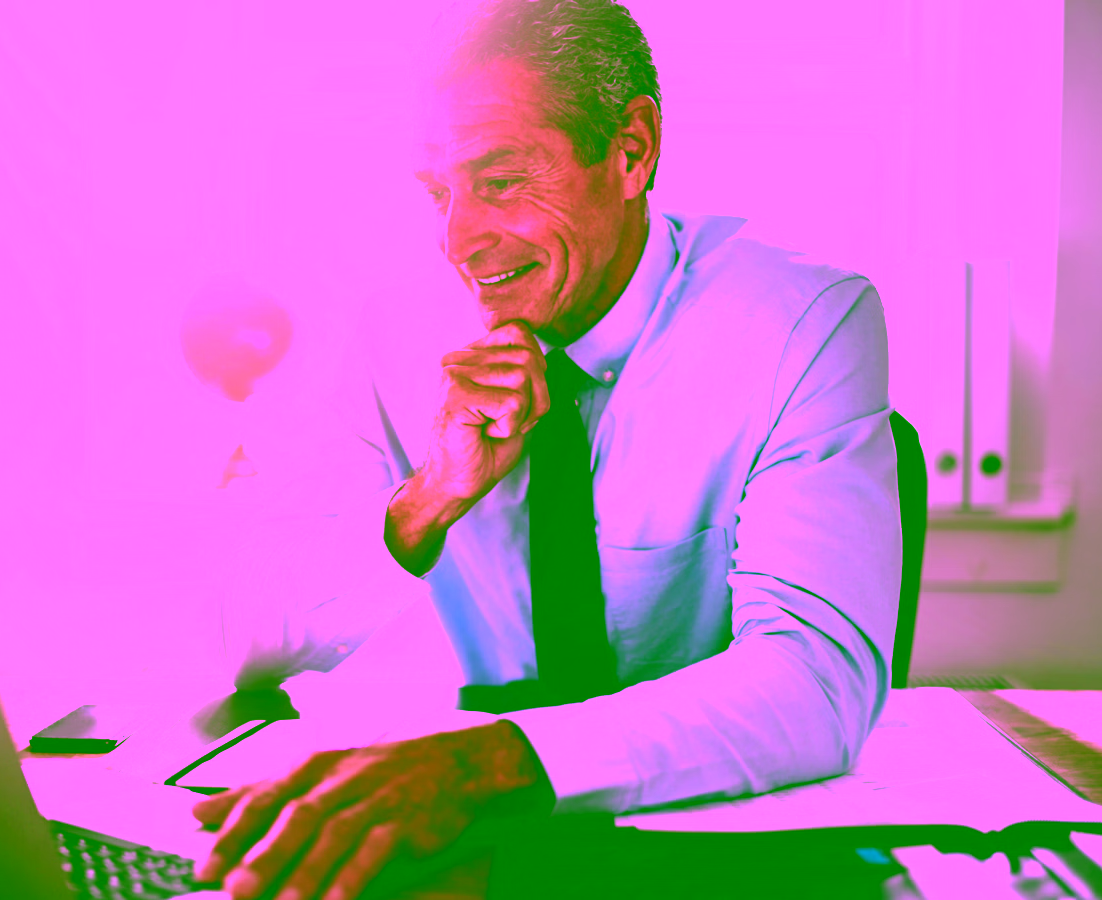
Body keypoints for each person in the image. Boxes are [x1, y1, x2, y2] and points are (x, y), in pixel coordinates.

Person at [193, 1, 901, 898]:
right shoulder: (394, 332)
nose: (458, 242)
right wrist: (428, 499)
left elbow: (813, 677)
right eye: (437, 192)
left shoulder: (800, 325)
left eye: (500, 179)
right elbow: (241, 638)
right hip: (475, 857)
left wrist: (470, 766)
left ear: (633, 149)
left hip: (704, 847)